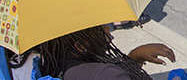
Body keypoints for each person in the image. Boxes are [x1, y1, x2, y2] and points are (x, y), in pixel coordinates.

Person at [30, 25, 174, 80]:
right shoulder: (107, 75)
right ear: (80, 46)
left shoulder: (51, 62)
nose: (107, 28)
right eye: (98, 27)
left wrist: (135, 57)